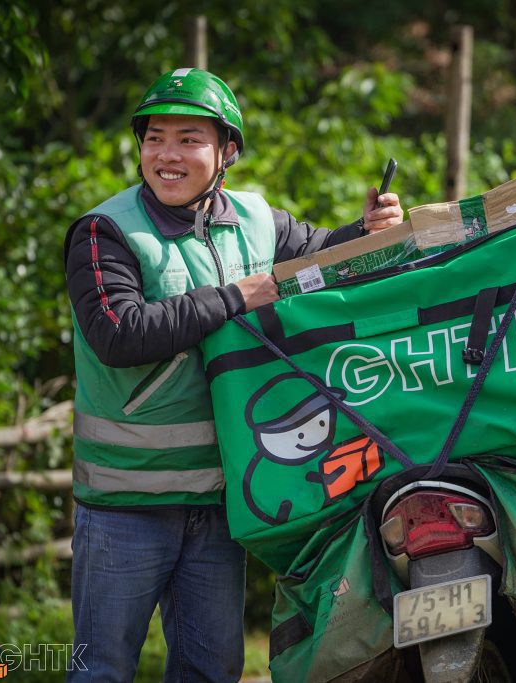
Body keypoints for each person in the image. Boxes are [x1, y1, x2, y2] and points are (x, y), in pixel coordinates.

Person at [63, 68, 403, 682]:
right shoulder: (104, 230)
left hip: (220, 503)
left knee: (211, 671)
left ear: (227, 153)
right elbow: (118, 333)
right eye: (154, 138)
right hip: (125, 506)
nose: (167, 155)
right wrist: (235, 296)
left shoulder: (255, 219)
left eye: (189, 138)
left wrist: (365, 234)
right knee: (100, 671)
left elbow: (320, 259)